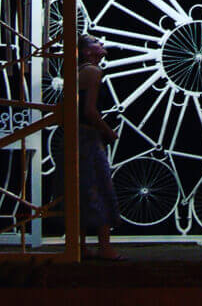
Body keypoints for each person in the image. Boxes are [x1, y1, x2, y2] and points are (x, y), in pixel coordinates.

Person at [77, 34, 124, 260]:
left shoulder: (77, 73)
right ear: (87, 51)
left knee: (81, 190)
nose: (102, 43)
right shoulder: (93, 72)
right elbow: (89, 111)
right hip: (89, 136)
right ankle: (105, 247)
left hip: (76, 136)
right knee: (99, 188)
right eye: (97, 42)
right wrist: (109, 131)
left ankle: (80, 247)